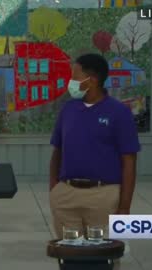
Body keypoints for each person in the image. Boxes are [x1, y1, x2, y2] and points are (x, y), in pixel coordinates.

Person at [49, 53, 140, 239]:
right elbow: (57, 151)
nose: (71, 82)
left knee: (103, 257)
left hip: (103, 197)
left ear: (92, 80)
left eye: (75, 77)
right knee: (69, 256)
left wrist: (124, 207)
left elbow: (129, 161)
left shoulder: (119, 112)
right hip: (66, 196)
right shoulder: (68, 109)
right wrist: (54, 189)